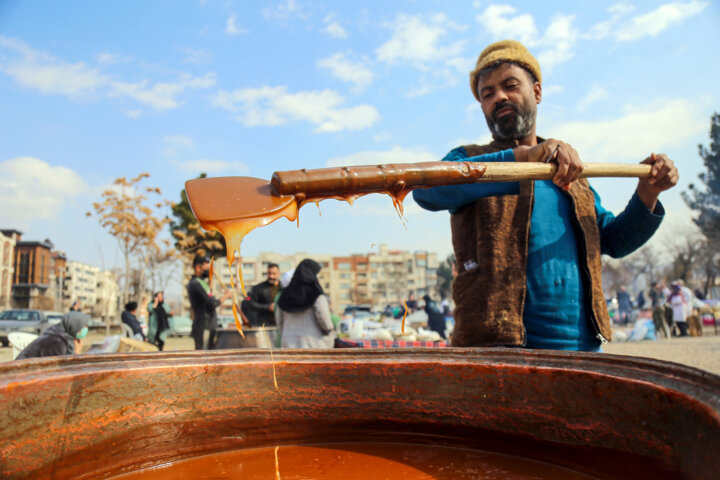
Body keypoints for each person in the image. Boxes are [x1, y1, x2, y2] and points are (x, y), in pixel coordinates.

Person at [412, 39, 678, 351]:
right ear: (482, 106)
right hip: (498, 350)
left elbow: (612, 241)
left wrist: (647, 193)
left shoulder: (572, 176)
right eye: (488, 94)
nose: (499, 97)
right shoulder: (468, 161)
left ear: (537, 92)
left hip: (582, 350)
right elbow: (426, 190)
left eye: (510, 85)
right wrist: (523, 158)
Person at [275, 259, 335, 348]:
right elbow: (325, 320)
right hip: (313, 345)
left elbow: (279, 321)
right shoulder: (316, 294)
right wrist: (331, 331)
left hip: (288, 345)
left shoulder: (284, 295)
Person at [187, 255, 232, 350]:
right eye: (207, 268)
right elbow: (211, 303)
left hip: (210, 324)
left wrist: (211, 280)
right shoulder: (195, 284)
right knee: (203, 355)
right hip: (203, 325)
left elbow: (209, 294)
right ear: (198, 268)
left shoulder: (201, 283)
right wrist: (226, 296)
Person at [16, 311, 90, 359]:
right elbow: (59, 370)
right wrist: (76, 353)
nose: (86, 329)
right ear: (74, 325)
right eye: (84, 326)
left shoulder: (61, 335)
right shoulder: (57, 342)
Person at [246, 263, 282, 327]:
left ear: (279, 274)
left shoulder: (284, 287)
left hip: (281, 323)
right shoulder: (258, 288)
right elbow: (251, 304)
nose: (271, 276)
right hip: (265, 324)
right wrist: (267, 307)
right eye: (269, 273)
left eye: (274, 274)